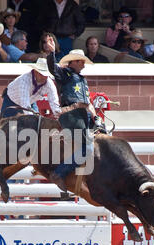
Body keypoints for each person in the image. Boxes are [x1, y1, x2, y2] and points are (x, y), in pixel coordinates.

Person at [45, 36, 99, 191]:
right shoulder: (65, 74)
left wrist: (94, 117)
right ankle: (59, 172)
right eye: (80, 61)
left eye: (83, 61)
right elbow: (53, 69)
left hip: (83, 115)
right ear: (72, 62)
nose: (82, 63)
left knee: (93, 145)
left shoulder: (82, 80)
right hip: (72, 115)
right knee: (88, 149)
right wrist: (51, 52)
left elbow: (88, 101)